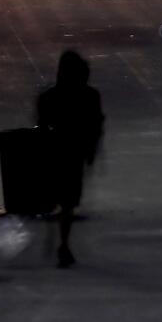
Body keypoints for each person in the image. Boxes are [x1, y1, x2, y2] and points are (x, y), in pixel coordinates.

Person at [36, 50, 104, 268]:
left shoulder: (48, 97)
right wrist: (91, 151)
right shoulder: (90, 96)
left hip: (53, 152)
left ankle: (59, 237)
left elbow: (42, 127)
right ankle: (63, 243)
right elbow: (95, 126)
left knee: (59, 199)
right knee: (68, 203)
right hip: (74, 153)